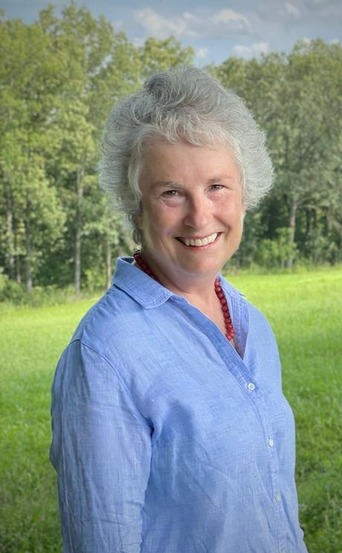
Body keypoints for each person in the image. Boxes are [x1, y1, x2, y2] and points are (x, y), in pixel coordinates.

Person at [50, 66, 308, 553]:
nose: (199, 215)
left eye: (217, 186)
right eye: (171, 193)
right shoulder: (105, 355)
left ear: (245, 194)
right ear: (135, 206)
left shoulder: (248, 319)